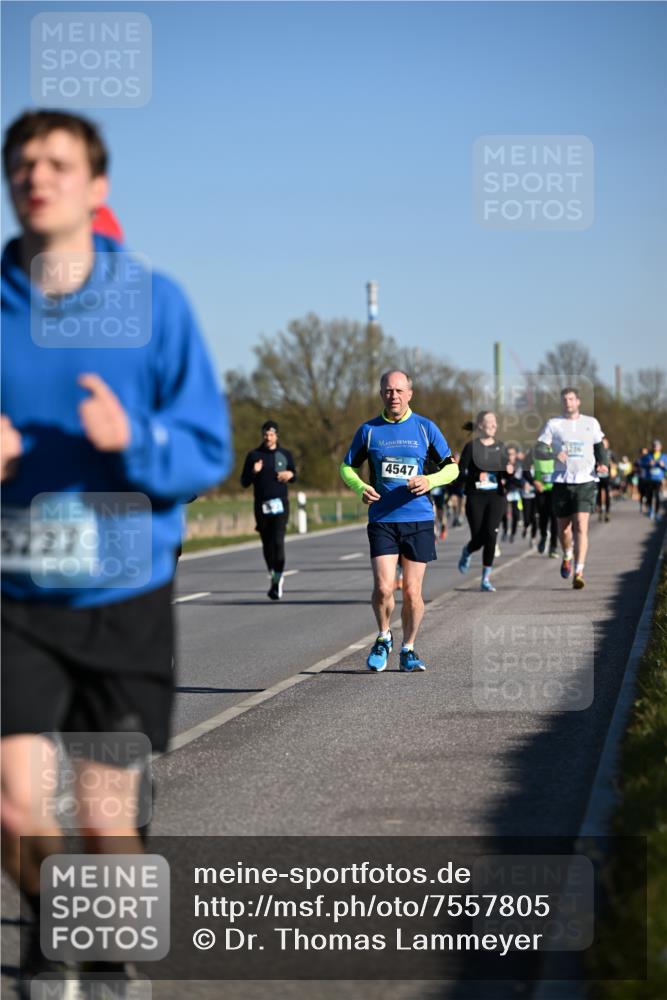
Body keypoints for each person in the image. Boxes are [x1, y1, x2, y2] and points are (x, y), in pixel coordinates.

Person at [1, 109, 233, 993]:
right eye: (22, 162)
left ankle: (103, 962)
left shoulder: (155, 303)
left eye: (57, 162)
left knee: (105, 824)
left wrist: (132, 437)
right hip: (11, 595)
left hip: (122, 591)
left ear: (95, 188)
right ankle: (52, 931)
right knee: (15, 803)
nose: (37, 174)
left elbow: (207, 450)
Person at [339, 369, 458, 671]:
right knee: (383, 588)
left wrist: (430, 481)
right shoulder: (369, 430)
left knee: (412, 592)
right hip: (382, 519)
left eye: (399, 391)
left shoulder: (425, 428)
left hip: (418, 518)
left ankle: (409, 648)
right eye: (388, 391)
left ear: (410, 393)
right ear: (381, 394)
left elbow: (452, 468)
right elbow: (347, 468)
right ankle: (383, 637)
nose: (394, 396)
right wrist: (360, 487)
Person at [535, 387, 608, 589]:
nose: (568, 402)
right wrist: (552, 455)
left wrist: (602, 463)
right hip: (561, 481)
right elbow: (539, 448)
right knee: (564, 529)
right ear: (562, 403)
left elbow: (599, 447)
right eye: (564, 399)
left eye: (571, 399)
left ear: (578, 401)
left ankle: (579, 571)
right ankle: (567, 554)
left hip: (586, 481)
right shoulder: (554, 424)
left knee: (581, 525)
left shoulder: (590, 423)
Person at [457, 412, 514, 592]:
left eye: (494, 422)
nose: (492, 425)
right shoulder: (471, 447)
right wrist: (475, 476)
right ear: (480, 426)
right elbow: (460, 473)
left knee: (491, 535)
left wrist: (509, 471)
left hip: (496, 497)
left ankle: (485, 579)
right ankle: (467, 551)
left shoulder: (501, 447)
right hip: (476, 497)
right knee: (479, 538)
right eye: (488, 422)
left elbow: (505, 473)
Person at [240, 420, 296, 599]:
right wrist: (254, 471)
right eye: (265, 434)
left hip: (281, 505)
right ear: (262, 435)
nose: (268, 437)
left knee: (278, 542)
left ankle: (277, 579)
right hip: (261, 506)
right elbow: (244, 482)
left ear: (276, 435)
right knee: (267, 545)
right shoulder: (254, 455)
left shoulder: (284, 454)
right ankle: (274, 576)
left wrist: (290, 474)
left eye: (271, 434)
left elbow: (294, 474)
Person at [533, 442, 559, 557]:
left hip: (554, 490)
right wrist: (534, 481)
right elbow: (525, 469)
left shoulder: (559, 452)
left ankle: (553, 547)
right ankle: (543, 535)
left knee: (554, 519)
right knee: (543, 518)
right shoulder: (535, 451)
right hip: (541, 490)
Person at [639, 440, 665, 521]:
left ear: (660, 447)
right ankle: (650, 510)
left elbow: (666, 468)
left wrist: (663, 465)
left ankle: (656, 513)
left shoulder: (664, 457)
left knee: (656, 495)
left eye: (657, 446)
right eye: (654, 446)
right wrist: (648, 464)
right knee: (649, 495)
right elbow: (641, 465)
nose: (655, 447)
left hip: (658, 479)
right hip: (649, 479)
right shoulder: (647, 456)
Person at [596, 435, 612, 522]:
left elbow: (615, 463)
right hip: (598, 476)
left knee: (607, 494)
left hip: (607, 477)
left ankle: (607, 512)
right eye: (602, 443)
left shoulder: (610, 453)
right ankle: (600, 510)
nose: (604, 445)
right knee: (598, 494)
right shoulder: (596, 453)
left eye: (605, 443)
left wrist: (611, 464)